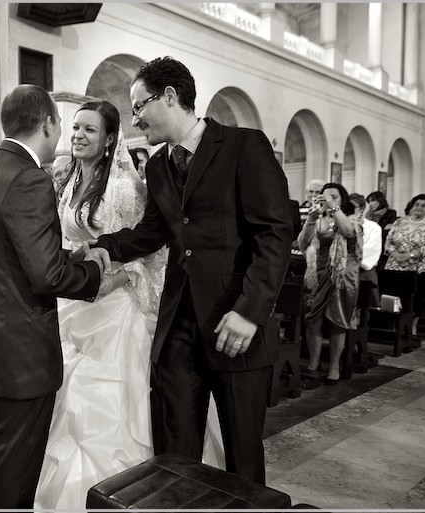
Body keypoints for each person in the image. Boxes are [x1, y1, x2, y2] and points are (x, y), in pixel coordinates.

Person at [86, 57, 293, 484]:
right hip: (179, 323)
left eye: (139, 106)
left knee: (242, 454)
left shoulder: (243, 145)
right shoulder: (159, 165)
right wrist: (102, 245)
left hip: (233, 321)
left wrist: (250, 311)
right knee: (175, 447)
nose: (136, 118)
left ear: (170, 96)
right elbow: (153, 232)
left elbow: (274, 235)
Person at [0, 84, 107, 509]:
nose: (63, 132)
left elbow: (12, 250)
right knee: (16, 472)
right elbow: (46, 275)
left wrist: (70, 253)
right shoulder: (29, 177)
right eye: (61, 122)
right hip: (19, 352)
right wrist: (94, 274)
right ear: (47, 123)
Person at [34, 101, 167, 508]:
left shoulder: (125, 187)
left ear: (111, 139)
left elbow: (150, 251)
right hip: (72, 296)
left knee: (97, 400)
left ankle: (114, 491)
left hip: (113, 308)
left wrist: (117, 279)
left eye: (90, 130)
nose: (78, 135)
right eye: (75, 127)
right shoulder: (67, 178)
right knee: (61, 390)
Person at [298, 183, 361, 385]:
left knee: (337, 321)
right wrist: (312, 219)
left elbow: (349, 232)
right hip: (316, 273)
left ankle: (334, 366)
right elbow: (302, 243)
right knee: (312, 320)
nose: (327, 199)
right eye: (324, 196)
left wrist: (334, 208)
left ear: (342, 199)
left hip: (341, 276)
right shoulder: (317, 219)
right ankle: (313, 364)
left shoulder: (352, 219)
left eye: (334, 196)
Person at [384, 194, 425, 335]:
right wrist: (395, 254)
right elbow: (388, 241)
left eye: (423, 205)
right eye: (417, 204)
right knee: (394, 296)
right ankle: (395, 324)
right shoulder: (399, 222)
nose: (419, 208)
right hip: (394, 265)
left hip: (417, 268)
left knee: (415, 298)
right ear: (412, 206)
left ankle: (412, 327)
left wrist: (409, 255)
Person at [350, 193, 382, 306]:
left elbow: (369, 253)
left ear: (362, 208)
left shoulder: (373, 228)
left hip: (362, 273)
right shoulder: (340, 225)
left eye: (352, 207)